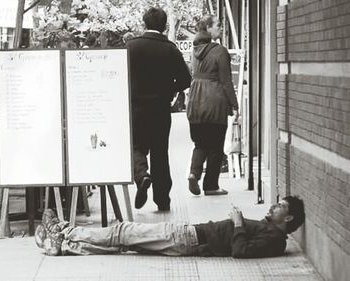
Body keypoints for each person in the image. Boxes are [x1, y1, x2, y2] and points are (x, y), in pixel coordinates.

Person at [35, 196, 305, 258]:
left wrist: (237, 223)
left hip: (189, 238)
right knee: (127, 243)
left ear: (289, 218)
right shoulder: (272, 233)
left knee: (124, 231)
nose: (273, 206)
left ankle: (64, 230)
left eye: (280, 205)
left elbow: (240, 251)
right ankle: (67, 245)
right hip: (190, 235)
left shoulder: (274, 240)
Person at [126, 7, 192, 211]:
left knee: (136, 146)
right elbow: (185, 79)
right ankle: (162, 199)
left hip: (136, 108)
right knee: (159, 152)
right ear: (164, 26)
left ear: (144, 23)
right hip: (160, 109)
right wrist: (168, 90)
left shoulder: (131, 47)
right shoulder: (170, 49)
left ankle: (141, 175)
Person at [186, 15, 239, 196]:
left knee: (200, 143)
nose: (221, 28)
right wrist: (234, 104)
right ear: (208, 29)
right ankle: (211, 186)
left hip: (195, 101)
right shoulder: (220, 51)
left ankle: (194, 173)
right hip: (214, 101)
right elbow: (226, 80)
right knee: (216, 145)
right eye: (218, 25)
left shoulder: (195, 50)